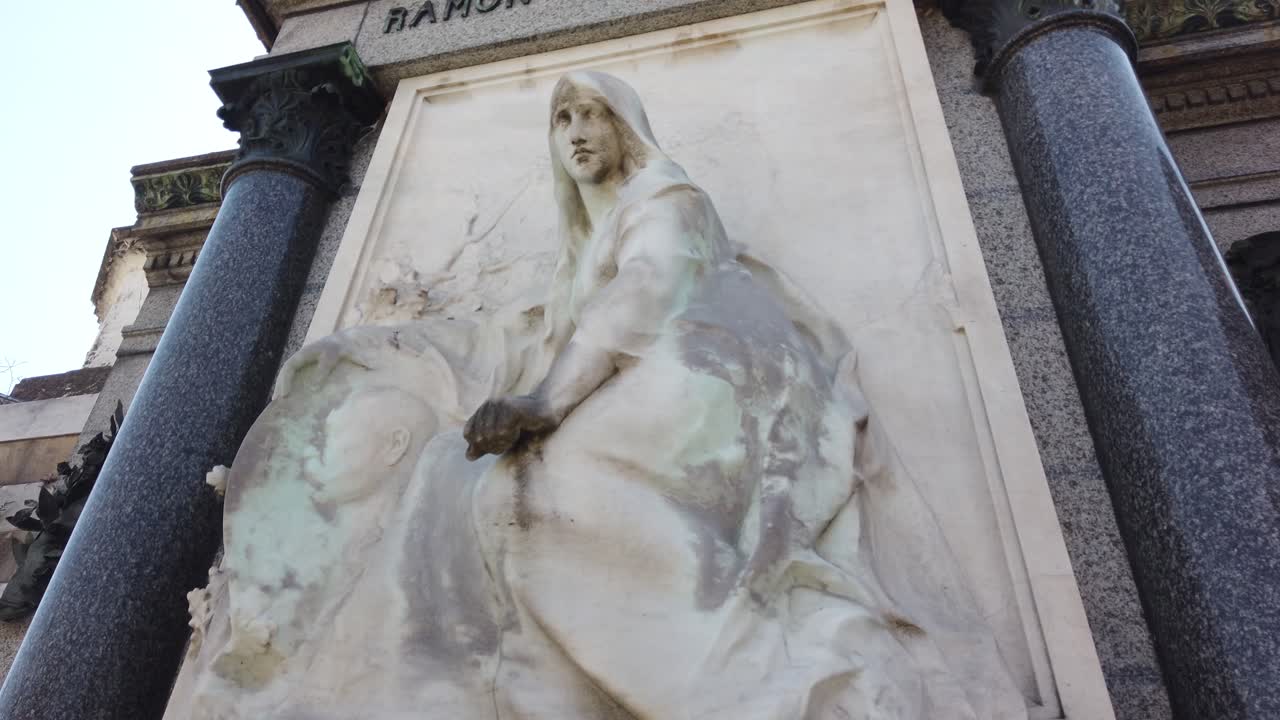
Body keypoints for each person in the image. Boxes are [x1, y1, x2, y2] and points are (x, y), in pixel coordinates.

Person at [206, 71, 1027, 719]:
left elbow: (645, 296)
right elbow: (531, 334)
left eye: (593, 115)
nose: (577, 133)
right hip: (638, 382)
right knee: (470, 490)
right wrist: (399, 349)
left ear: (626, 128)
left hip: (715, 380)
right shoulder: (579, 252)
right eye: (563, 121)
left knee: (540, 486)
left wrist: (548, 402)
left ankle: (745, 691)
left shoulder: (666, 198)